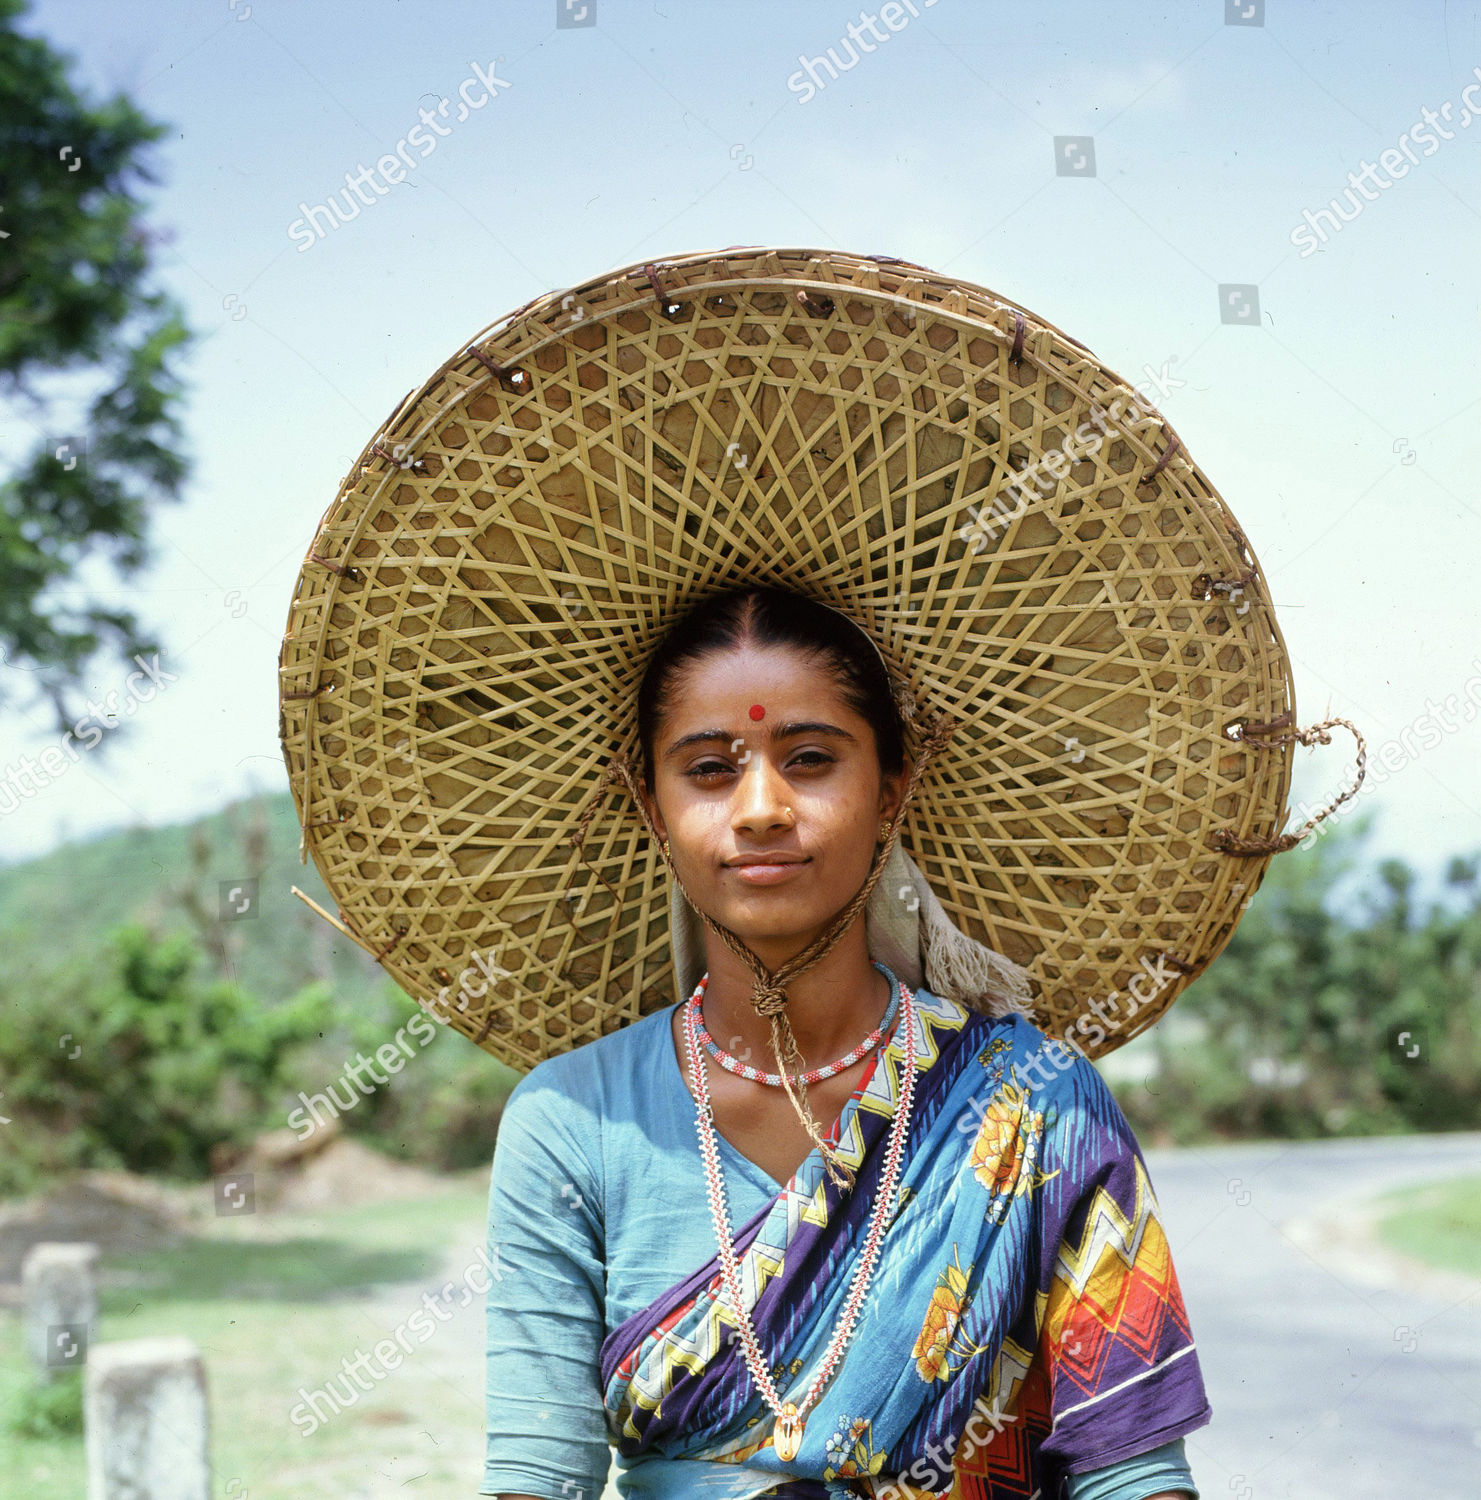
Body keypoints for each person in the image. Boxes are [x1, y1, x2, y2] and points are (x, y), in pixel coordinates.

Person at [481, 585, 1208, 1500]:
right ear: (648, 805)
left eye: (811, 759)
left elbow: (1133, 1476)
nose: (760, 809)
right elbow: (533, 1482)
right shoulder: (570, 1121)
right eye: (708, 770)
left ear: (891, 789)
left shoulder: (1040, 1106)